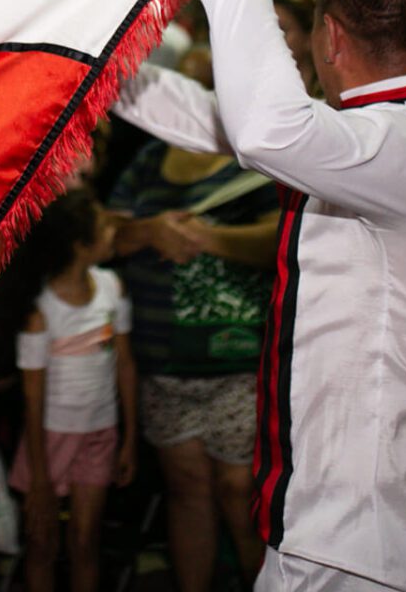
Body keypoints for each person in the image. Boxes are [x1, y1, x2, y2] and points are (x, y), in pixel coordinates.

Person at [116, 0, 406, 591]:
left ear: (332, 39)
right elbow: (224, 121)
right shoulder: (401, 135)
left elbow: (266, 130)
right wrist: (88, 65)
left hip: (370, 552)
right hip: (364, 535)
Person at [109, 89, 279, 591]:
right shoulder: (148, 161)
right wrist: (150, 231)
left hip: (239, 358)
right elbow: (108, 232)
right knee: (186, 489)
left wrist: (208, 238)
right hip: (162, 359)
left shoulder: (257, 157)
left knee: (238, 492)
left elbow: (285, 237)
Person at [10, 188, 136, 592]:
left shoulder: (112, 287)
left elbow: (125, 365)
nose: (113, 230)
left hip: (101, 432)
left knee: (85, 542)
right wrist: (41, 480)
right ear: (81, 246)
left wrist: (129, 438)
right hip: (49, 439)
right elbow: (32, 400)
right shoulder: (42, 310)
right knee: (42, 543)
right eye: (103, 227)